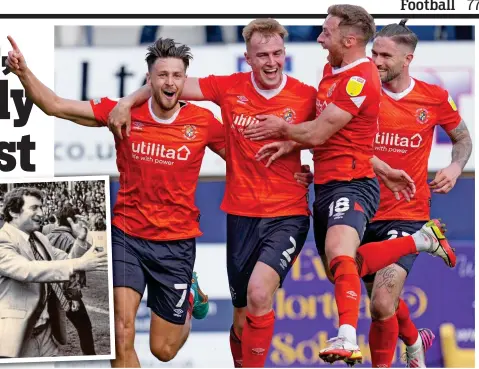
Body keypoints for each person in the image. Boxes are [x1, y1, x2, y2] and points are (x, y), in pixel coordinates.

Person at [106, 17, 444, 369]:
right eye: (262, 54)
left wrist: (383, 169)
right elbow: (169, 84)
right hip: (240, 215)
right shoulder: (228, 87)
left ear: (285, 54)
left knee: (261, 293)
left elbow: (331, 136)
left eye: (277, 53)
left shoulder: (305, 95)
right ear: (247, 59)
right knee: (242, 315)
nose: (271, 61)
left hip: (288, 214)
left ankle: (353, 334)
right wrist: (128, 100)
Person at [5, 35, 312, 367]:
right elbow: (56, 105)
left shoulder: (202, 122)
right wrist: (24, 73)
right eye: (162, 75)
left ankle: (189, 296)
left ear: (184, 80)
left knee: (163, 351)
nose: (170, 82)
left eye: (177, 76)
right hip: (127, 236)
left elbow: (247, 161)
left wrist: (295, 172)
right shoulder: (123, 113)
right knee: (121, 332)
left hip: (175, 244)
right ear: (149, 79)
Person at [241, 7, 457, 365]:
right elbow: (339, 138)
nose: (319, 37)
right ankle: (419, 273)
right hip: (330, 184)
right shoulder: (330, 72)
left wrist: (283, 129)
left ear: (348, 39)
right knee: (346, 269)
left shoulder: (363, 79)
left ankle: (346, 336)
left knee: (375, 294)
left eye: (326, 32)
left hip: (362, 188)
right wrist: (294, 145)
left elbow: (320, 132)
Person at [361, 20, 473, 368]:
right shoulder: (359, 93)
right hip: (360, 209)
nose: (376, 61)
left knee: (381, 303)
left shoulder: (434, 97)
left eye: (385, 56)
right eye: (373, 53)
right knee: (384, 305)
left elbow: (463, 139)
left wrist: (455, 167)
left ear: (407, 59)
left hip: (406, 214)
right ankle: (414, 338)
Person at [0, 187, 107, 358]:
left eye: (41, 207)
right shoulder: (3, 239)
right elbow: (27, 270)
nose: (41, 213)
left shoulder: (39, 238)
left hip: (46, 333)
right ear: (13, 211)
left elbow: (64, 261)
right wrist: (79, 263)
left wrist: (80, 240)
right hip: (18, 337)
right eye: (34, 207)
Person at [48, 204, 96, 355]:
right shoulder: (71, 240)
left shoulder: (46, 237)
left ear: (56, 219)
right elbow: (73, 270)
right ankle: (91, 359)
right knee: (84, 326)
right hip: (66, 292)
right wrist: (74, 296)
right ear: (73, 220)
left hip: (48, 288)